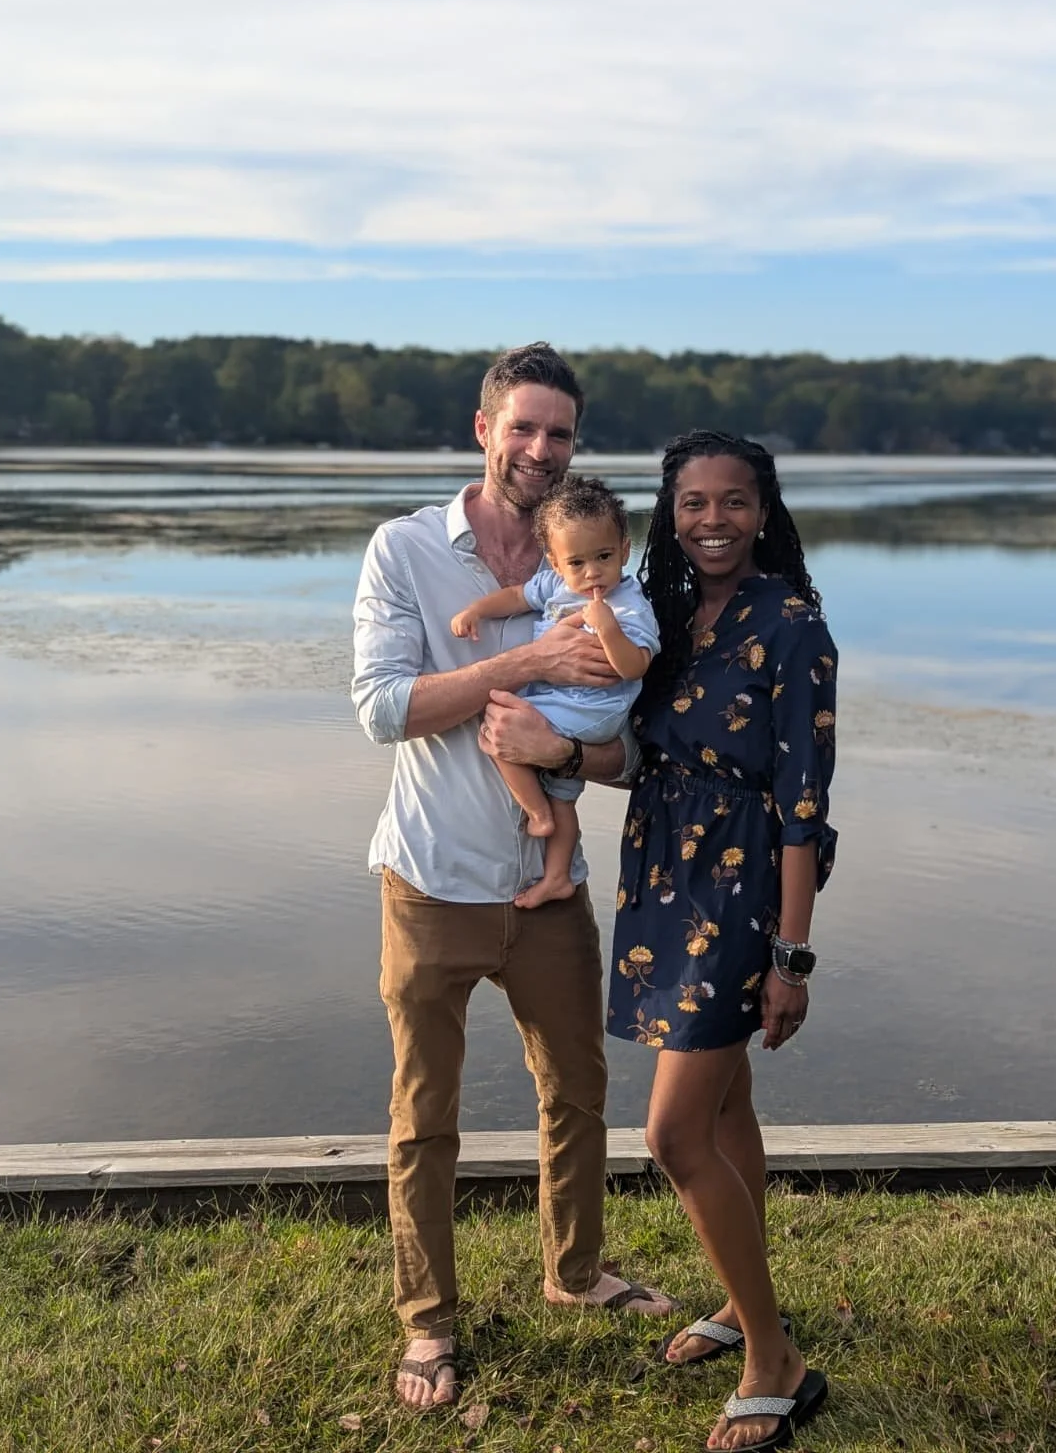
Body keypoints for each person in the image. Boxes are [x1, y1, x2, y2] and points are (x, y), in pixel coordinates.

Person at [351, 342, 673, 1416]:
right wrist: (524, 662)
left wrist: (562, 749)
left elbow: (635, 751)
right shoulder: (405, 550)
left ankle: (574, 1272)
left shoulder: (595, 563)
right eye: (523, 427)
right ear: (483, 429)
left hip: (548, 886)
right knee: (424, 1112)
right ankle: (429, 1320)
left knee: (577, 1089)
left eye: (560, 433)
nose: (540, 448)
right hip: (432, 878)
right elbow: (383, 710)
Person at [610, 430, 837, 1451]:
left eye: (733, 501)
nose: (713, 521)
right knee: (727, 1105)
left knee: (672, 1136)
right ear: (670, 514)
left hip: (741, 896)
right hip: (665, 876)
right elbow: (636, 749)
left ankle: (774, 1363)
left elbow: (802, 804)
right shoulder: (659, 615)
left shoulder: (791, 623)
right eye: (693, 503)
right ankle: (747, 1309)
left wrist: (792, 956)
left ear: (764, 511)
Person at [450, 475, 661, 909]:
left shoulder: (629, 605)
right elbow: (515, 596)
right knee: (564, 793)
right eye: (577, 562)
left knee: (497, 729)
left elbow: (635, 666)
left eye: (604, 557)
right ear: (556, 562)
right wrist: (477, 610)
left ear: (625, 550)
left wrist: (608, 628)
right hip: (563, 703)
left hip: (595, 709)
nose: (592, 573)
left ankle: (536, 812)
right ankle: (558, 876)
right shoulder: (556, 586)